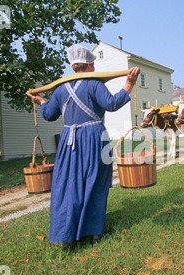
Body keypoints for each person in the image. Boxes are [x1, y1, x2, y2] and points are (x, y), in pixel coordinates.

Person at [26, 44, 140, 244]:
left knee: (69, 184)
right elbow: (112, 104)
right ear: (89, 65)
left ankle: (67, 231)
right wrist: (130, 83)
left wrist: (41, 101)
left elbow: (49, 115)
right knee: (94, 181)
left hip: (68, 143)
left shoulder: (61, 89)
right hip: (94, 138)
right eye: (93, 64)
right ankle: (94, 233)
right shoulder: (94, 84)